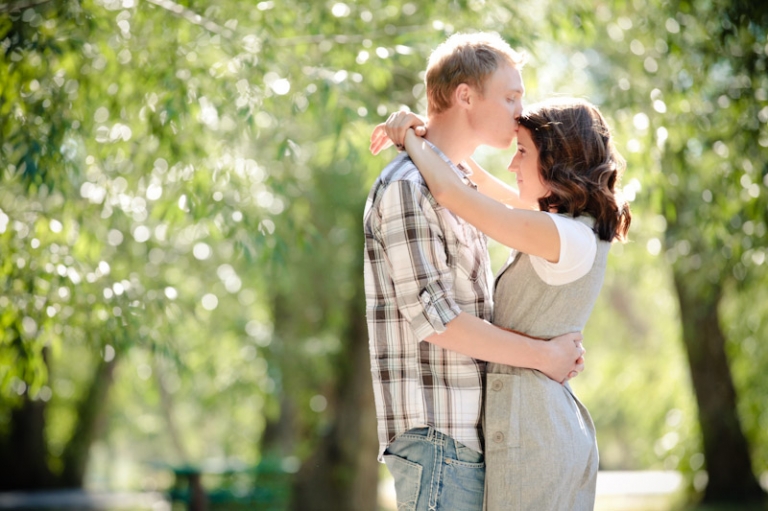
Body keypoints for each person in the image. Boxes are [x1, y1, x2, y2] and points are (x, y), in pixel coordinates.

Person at [363, 32, 586, 511]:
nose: (520, 111)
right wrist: (543, 356)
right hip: (439, 437)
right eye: (510, 96)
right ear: (465, 95)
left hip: (470, 439)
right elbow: (437, 319)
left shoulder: (457, 184)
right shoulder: (408, 187)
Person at [376, 97, 632, 510]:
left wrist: (409, 138)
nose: (512, 166)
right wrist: (433, 137)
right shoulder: (569, 227)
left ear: (557, 161)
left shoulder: (559, 234)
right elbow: (474, 182)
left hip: (534, 433)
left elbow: (453, 193)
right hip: (536, 426)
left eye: (523, 152)